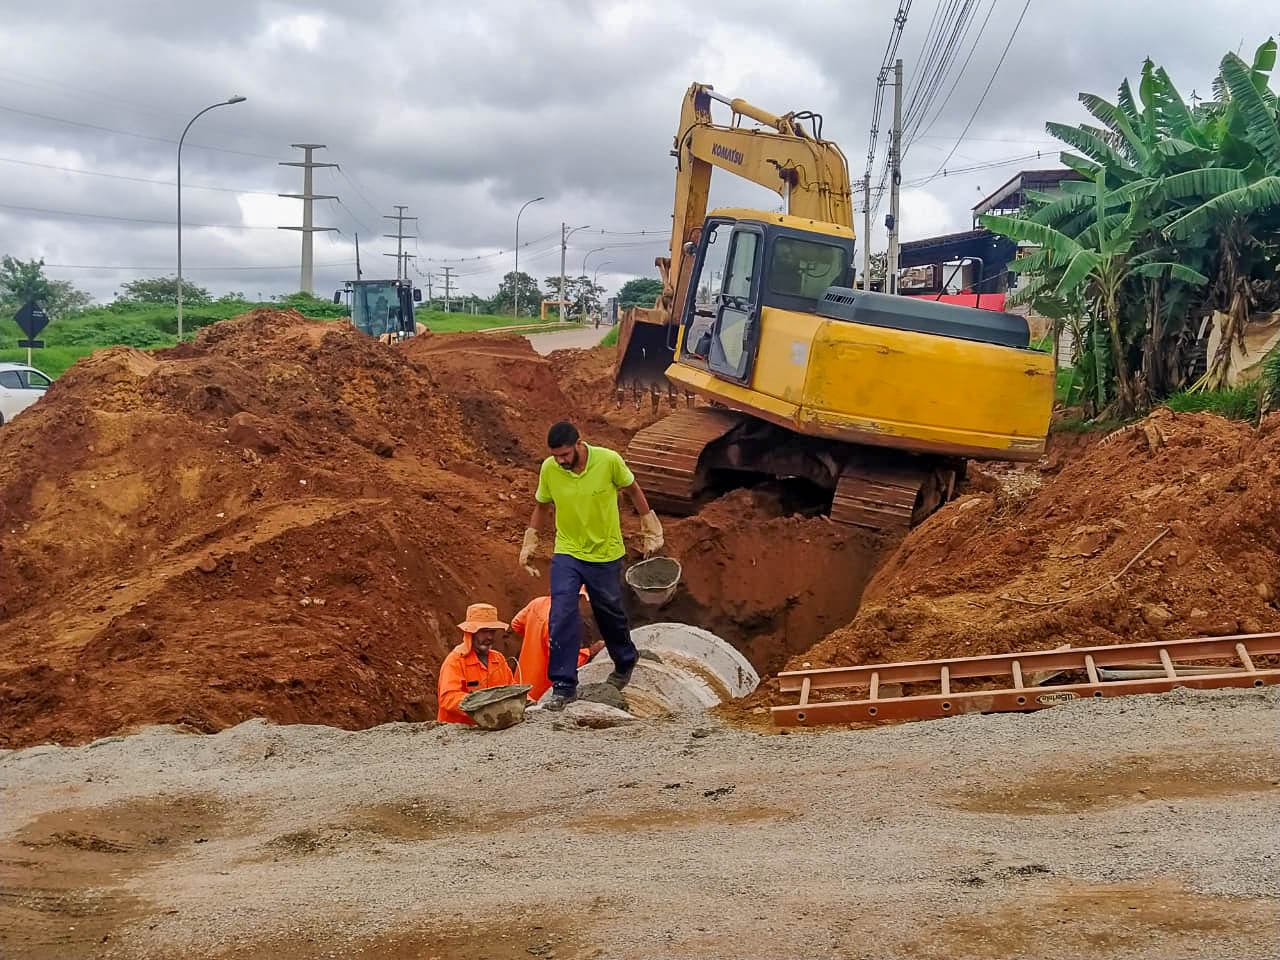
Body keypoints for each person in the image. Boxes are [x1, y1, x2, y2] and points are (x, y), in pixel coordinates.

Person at [518, 420, 664, 710]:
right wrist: (530, 541)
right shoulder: (549, 469)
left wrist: (650, 524)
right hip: (568, 551)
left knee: (608, 612)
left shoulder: (608, 461)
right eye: (556, 455)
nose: (560, 461)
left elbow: (632, 489)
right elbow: (542, 506)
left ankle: (624, 660)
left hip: (605, 553)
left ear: (578, 444)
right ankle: (563, 685)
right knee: (561, 612)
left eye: (564, 454)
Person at [513, 586, 605, 702]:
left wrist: (536, 639)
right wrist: (590, 651)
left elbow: (516, 624)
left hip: (521, 685)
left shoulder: (537, 603)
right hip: (542, 693)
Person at [436, 602, 516, 725]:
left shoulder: (498, 659)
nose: (489, 636)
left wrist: (530, 702)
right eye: (484, 631)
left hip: (491, 730)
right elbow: (448, 698)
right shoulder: (455, 661)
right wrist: (480, 703)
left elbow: (513, 689)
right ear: (471, 632)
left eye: (492, 631)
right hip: (458, 733)